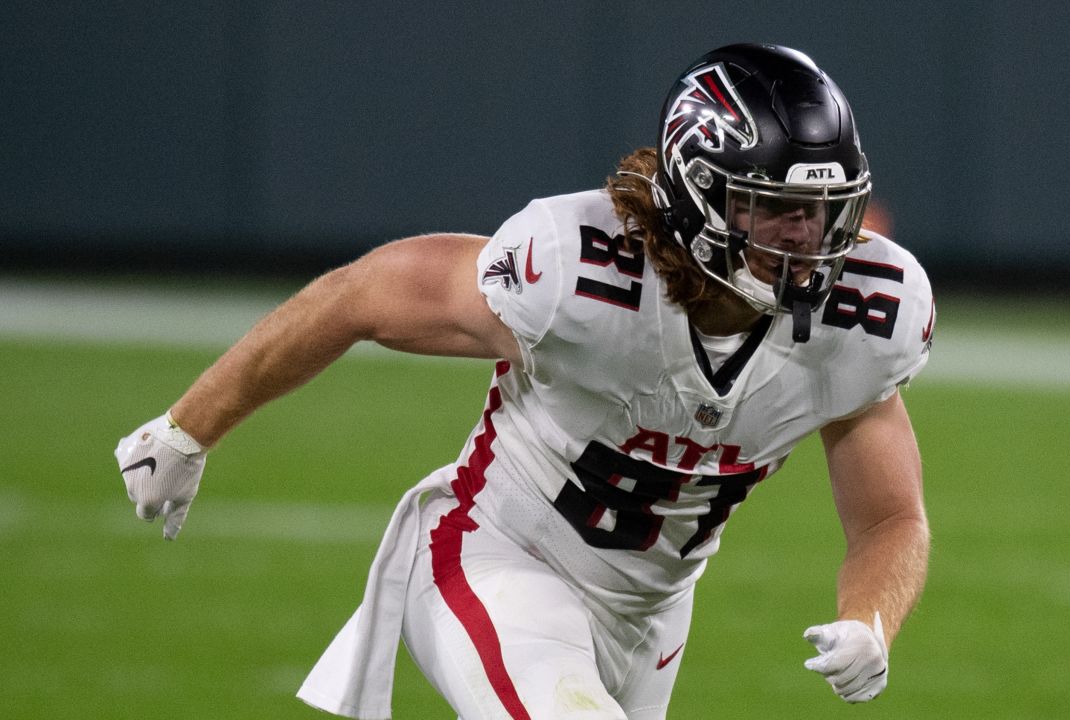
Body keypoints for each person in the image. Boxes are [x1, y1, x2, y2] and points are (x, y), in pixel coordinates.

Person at [114, 43, 934, 719]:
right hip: (500, 554)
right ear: (698, 196)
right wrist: (188, 428)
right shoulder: (578, 269)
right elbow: (362, 293)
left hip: (652, 615)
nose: (807, 237)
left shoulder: (865, 319)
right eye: (773, 207)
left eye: (822, 211)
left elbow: (891, 516)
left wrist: (873, 621)